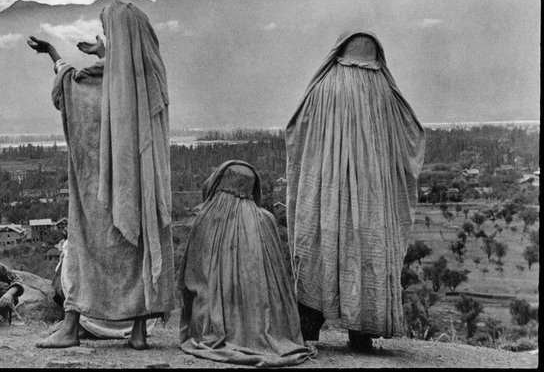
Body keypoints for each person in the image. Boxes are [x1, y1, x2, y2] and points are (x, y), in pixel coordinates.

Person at [27, 0, 175, 350]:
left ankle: (70, 326)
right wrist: (108, 52)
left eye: (108, 33)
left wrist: (53, 54)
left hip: (97, 192)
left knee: (84, 246)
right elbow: (128, 66)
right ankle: (138, 331)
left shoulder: (96, 84)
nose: (105, 39)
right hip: (141, 190)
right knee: (137, 250)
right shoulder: (151, 79)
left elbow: (68, 87)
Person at [284, 31, 425, 351]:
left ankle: (308, 332)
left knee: (320, 250)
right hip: (372, 198)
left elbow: (296, 132)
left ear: (340, 51)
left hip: (327, 194)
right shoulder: (385, 91)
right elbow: (411, 136)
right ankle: (361, 335)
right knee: (366, 254)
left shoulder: (323, 87)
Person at [178, 160, 317, 366]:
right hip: (267, 323)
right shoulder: (266, 220)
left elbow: (189, 280)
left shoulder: (206, 218)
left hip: (209, 324)